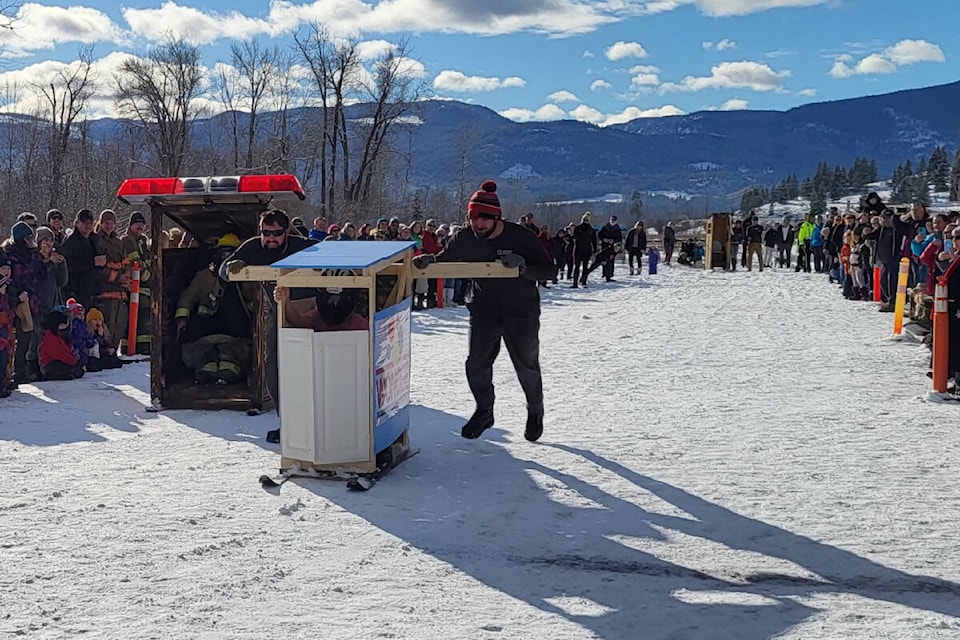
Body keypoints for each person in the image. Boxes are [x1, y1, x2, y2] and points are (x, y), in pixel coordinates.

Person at [412, 180, 556, 442]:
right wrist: (429, 262)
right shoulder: (465, 237)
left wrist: (523, 267)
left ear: (496, 218)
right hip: (484, 309)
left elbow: (550, 270)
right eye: (473, 219)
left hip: (521, 311)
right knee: (476, 365)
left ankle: (535, 410)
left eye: (483, 221)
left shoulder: (521, 237)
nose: (478, 225)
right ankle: (484, 410)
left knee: (526, 366)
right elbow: (447, 259)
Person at [220, 209, 316, 443]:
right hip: (278, 311)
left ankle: (316, 423)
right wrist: (235, 265)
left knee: (311, 368)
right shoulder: (253, 247)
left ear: (287, 232)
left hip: (312, 311)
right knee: (273, 367)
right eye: (266, 232)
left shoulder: (303, 246)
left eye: (277, 233)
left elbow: (337, 258)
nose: (271, 238)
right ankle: (288, 423)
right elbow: (224, 271)